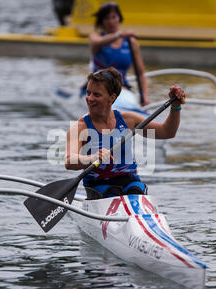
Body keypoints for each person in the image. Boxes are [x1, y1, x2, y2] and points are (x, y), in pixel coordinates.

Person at [65, 67, 185, 199]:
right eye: (88, 93)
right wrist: (92, 158)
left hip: (130, 182)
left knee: (136, 190)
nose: (89, 98)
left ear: (112, 98)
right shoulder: (80, 127)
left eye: (96, 95)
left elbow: (167, 132)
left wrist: (175, 107)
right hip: (99, 186)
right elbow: (69, 161)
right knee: (112, 194)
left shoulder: (128, 119)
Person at [87, 2, 149, 106]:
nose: (111, 21)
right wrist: (119, 34)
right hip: (96, 89)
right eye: (107, 18)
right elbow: (96, 42)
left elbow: (141, 73)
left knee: (128, 106)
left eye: (114, 17)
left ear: (119, 18)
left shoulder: (131, 42)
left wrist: (145, 97)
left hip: (122, 91)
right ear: (102, 21)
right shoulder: (95, 38)